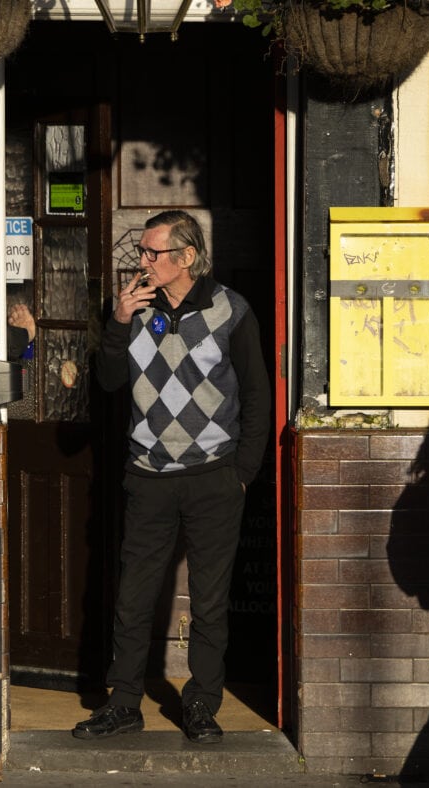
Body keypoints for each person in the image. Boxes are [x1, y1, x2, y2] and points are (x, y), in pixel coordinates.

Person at [73, 210, 269, 744]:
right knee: (133, 598)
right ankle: (124, 704)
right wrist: (116, 322)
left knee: (209, 601)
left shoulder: (231, 310)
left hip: (214, 477)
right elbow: (110, 381)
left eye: (152, 253)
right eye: (141, 252)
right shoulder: (133, 309)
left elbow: (257, 398)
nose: (142, 261)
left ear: (186, 258)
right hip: (149, 475)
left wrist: (242, 474)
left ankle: (201, 706)